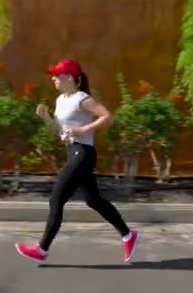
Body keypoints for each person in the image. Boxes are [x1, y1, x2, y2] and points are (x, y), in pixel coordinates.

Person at [14, 58, 140, 264]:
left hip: (83, 153)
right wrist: (46, 118)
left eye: (57, 75)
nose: (53, 78)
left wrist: (82, 130)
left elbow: (107, 116)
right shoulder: (60, 100)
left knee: (56, 199)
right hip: (73, 150)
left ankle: (42, 249)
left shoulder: (82, 99)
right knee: (93, 200)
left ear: (70, 77)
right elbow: (61, 132)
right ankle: (128, 235)